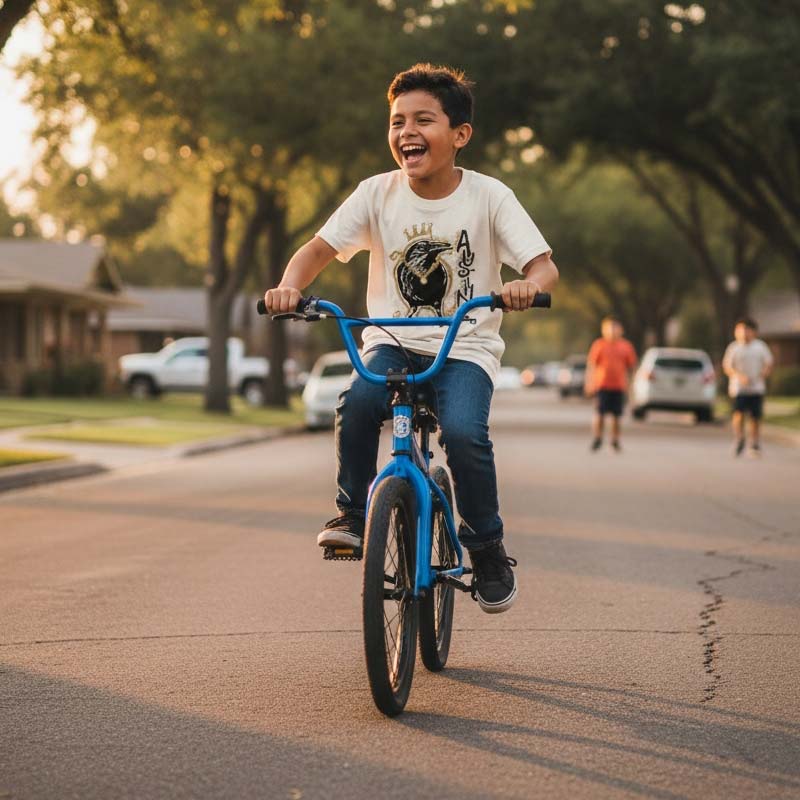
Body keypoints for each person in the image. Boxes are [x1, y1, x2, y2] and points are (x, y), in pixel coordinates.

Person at [264, 64, 558, 613]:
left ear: (460, 134)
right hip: (393, 340)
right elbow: (318, 251)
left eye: (424, 119)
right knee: (356, 403)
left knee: (466, 434)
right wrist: (288, 287)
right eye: (397, 121)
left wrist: (526, 287)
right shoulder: (376, 193)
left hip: (463, 345)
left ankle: (487, 547)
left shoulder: (490, 197)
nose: (406, 132)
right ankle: (353, 513)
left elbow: (544, 267)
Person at [722, 317, 773, 457]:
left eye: (747, 329)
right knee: (738, 414)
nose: (744, 332)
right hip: (738, 388)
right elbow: (727, 366)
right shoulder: (734, 347)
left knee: (755, 418)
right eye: (740, 329)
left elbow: (768, 364)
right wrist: (738, 376)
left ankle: (754, 443)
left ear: (754, 332)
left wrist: (762, 374)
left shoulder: (760, 347)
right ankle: (739, 438)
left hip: (756, 388)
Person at [584, 317, 637, 452]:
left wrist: (631, 386)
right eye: (609, 328)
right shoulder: (599, 345)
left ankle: (615, 440)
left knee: (616, 416)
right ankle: (598, 438)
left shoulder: (626, 346)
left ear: (621, 330)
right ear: (604, 330)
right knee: (599, 413)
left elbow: (632, 367)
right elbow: (591, 366)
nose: (612, 331)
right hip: (602, 385)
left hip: (619, 386)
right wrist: (589, 383)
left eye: (615, 328)